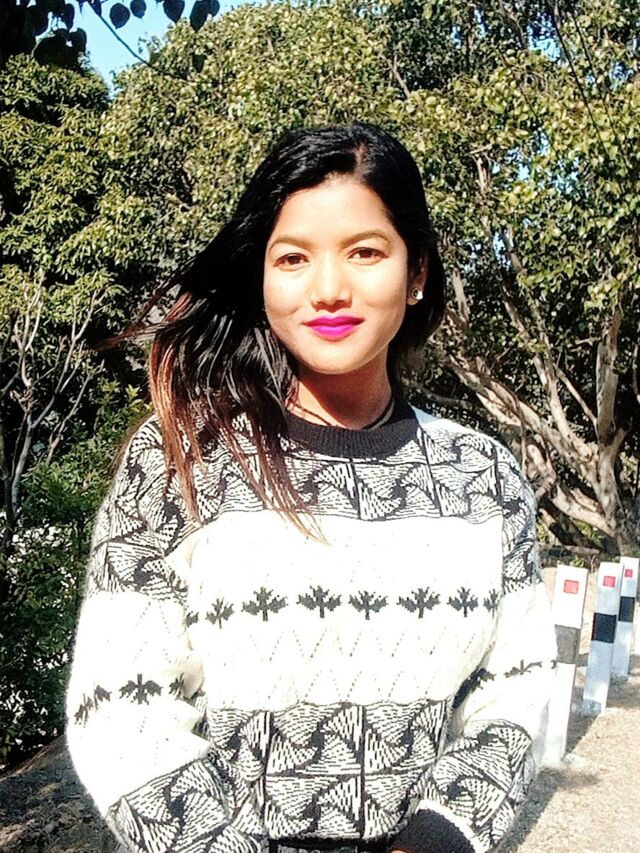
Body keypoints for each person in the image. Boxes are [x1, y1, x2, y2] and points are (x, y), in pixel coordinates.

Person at [65, 121, 557, 853]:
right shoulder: (179, 461)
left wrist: (433, 840)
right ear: (261, 278)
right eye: (293, 257)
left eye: (365, 252)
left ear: (416, 272)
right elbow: (120, 710)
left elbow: (514, 692)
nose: (329, 289)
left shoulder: (484, 478)